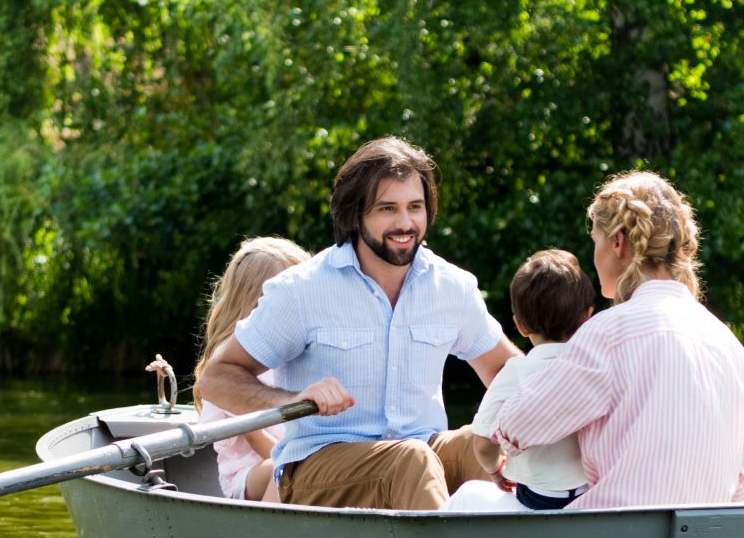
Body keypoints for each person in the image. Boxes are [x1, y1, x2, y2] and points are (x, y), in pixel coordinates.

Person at [194, 136, 518, 510]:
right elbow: (216, 378)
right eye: (387, 209)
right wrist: (291, 400)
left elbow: (507, 371)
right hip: (316, 468)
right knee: (410, 459)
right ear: (354, 216)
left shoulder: (452, 288)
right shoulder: (301, 290)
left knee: (477, 445)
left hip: (418, 454)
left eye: (415, 207)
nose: (405, 222)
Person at [487, 171, 744, 509]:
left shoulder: (607, 334)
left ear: (617, 242)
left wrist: (499, 442)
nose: (594, 255)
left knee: (470, 500)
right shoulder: (729, 345)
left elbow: (520, 426)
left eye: (595, 241)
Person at [445, 248, 596, 514]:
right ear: (587, 316)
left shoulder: (516, 372)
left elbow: (482, 442)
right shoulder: (596, 368)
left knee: (465, 496)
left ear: (520, 326)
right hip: (591, 497)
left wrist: (495, 470)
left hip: (537, 500)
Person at [195, 236, 312, 500]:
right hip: (249, 474)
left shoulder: (288, 350)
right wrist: (302, 461)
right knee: (287, 469)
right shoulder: (229, 362)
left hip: (291, 456)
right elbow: (255, 437)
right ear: (258, 300)